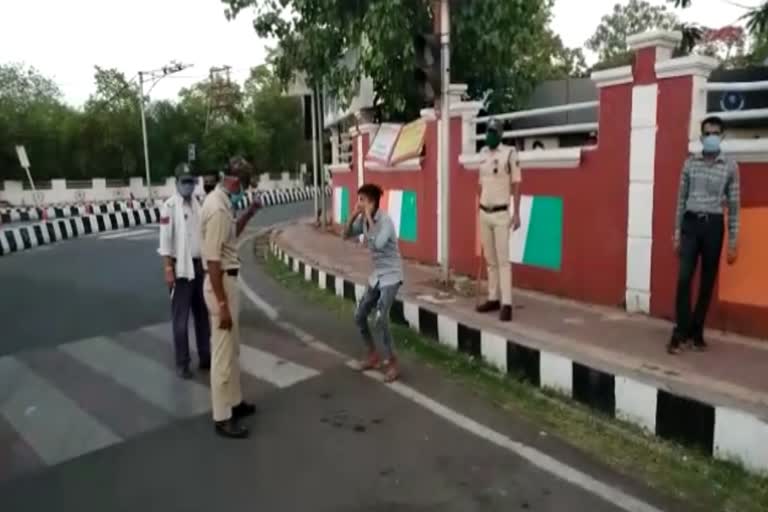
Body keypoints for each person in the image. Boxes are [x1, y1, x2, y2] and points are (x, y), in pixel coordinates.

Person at [200, 156, 262, 438]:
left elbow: (229, 238)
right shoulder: (216, 208)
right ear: (236, 182)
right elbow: (213, 261)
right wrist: (222, 304)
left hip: (227, 281)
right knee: (223, 354)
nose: (244, 192)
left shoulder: (224, 203)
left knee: (232, 349)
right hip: (220, 284)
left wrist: (248, 213)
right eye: (245, 187)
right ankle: (222, 416)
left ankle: (234, 403)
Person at [669, 116, 740, 354]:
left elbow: (734, 204)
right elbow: (680, 199)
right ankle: (680, 332)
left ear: (722, 136)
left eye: (715, 133)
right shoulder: (690, 164)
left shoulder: (730, 166)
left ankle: (696, 333)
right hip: (691, 224)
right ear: (701, 137)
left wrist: (732, 240)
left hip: (714, 226)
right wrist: (677, 233)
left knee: (707, 282)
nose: (711, 137)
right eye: (707, 133)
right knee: (684, 278)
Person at [342, 183, 403, 382]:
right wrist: (353, 216)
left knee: (380, 318)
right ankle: (372, 355)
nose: (359, 204)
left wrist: (367, 217)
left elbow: (376, 243)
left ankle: (393, 362)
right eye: (358, 200)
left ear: (373, 202)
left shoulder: (385, 222)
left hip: (392, 275)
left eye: (362, 200)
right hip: (377, 276)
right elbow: (345, 235)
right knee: (359, 315)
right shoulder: (363, 220)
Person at [158, 166, 210, 379]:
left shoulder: (198, 203)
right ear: (177, 182)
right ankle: (182, 363)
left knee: (202, 316)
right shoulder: (169, 207)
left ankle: (205, 356)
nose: (188, 185)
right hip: (180, 269)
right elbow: (165, 241)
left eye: (190, 181)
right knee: (181, 318)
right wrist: (167, 268)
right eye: (184, 181)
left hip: (199, 266)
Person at [475, 118, 522, 322]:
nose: (490, 135)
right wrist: (479, 204)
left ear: (500, 134)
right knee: (491, 260)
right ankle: (493, 297)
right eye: (488, 131)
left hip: (502, 213)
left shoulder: (510, 154)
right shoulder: (483, 154)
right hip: (484, 212)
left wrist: (517, 212)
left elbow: (517, 184)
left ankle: (507, 303)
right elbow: (480, 183)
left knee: (503, 261)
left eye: (494, 132)